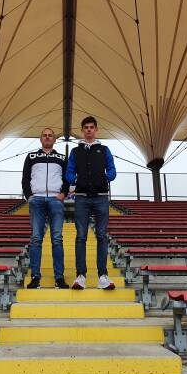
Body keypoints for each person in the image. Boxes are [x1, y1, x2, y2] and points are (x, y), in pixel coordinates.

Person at [65, 116, 117, 290]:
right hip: (81, 198)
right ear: (82, 130)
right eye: (86, 127)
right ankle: (81, 276)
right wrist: (75, 180)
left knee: (101, 236)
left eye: (91, 127)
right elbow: (69, 172)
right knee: (81, 236)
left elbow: (112, 169)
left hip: (101, 197)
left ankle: (103, 276)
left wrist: (105, 177)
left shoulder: (104, 149)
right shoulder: (75, 151)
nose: (88, 130)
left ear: (96, 129)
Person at [21, 127, 69, 289]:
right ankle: (35, 277)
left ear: (54, 139)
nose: (47, 137)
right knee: (36, 238)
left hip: (56, 199)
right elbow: (25, 178)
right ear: (40, 139)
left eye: (50, 135)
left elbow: (67, 178)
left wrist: (63, 193)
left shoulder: (61, 158)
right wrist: (29, 196)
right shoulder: (31, 156)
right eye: (44, 135)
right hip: (37, 199)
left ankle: (59, 278)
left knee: (57, 239)